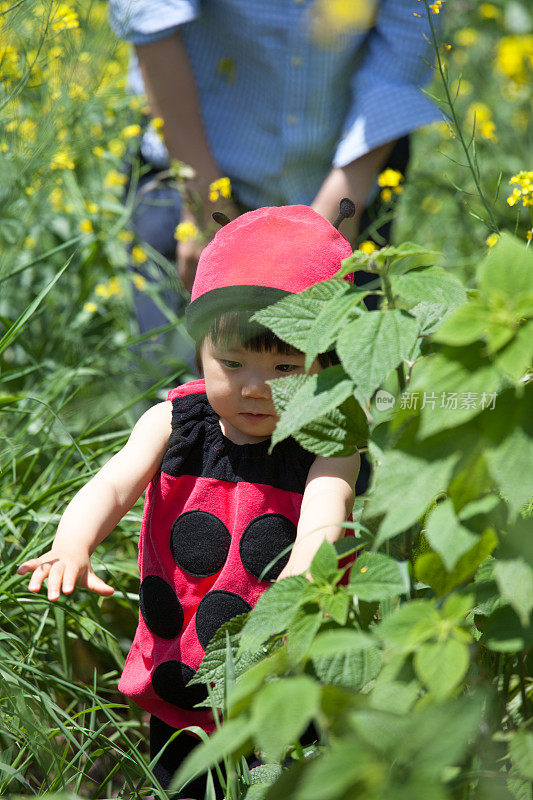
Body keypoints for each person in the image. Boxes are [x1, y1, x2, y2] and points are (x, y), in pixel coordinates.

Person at [16, 205, 361, 799]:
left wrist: (301, 587)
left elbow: (323, 523)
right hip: (182, 666)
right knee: (182, 782)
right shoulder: (174, 420)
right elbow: (113, 485)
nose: (254, 387)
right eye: (232, 364)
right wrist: (72, 543)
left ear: (328, 361)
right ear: (200, 348)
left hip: (280, 670)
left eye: (284, 367)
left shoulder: (328, 439)